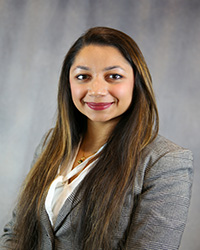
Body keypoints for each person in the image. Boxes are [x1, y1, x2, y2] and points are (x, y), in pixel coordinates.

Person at [0, 27, 193, 250]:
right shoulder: (52, 143)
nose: (97, 89)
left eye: (114, 76)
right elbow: (16, 232)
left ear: (136, 83)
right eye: (83, 77)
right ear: (68, 83)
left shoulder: (166, 162)